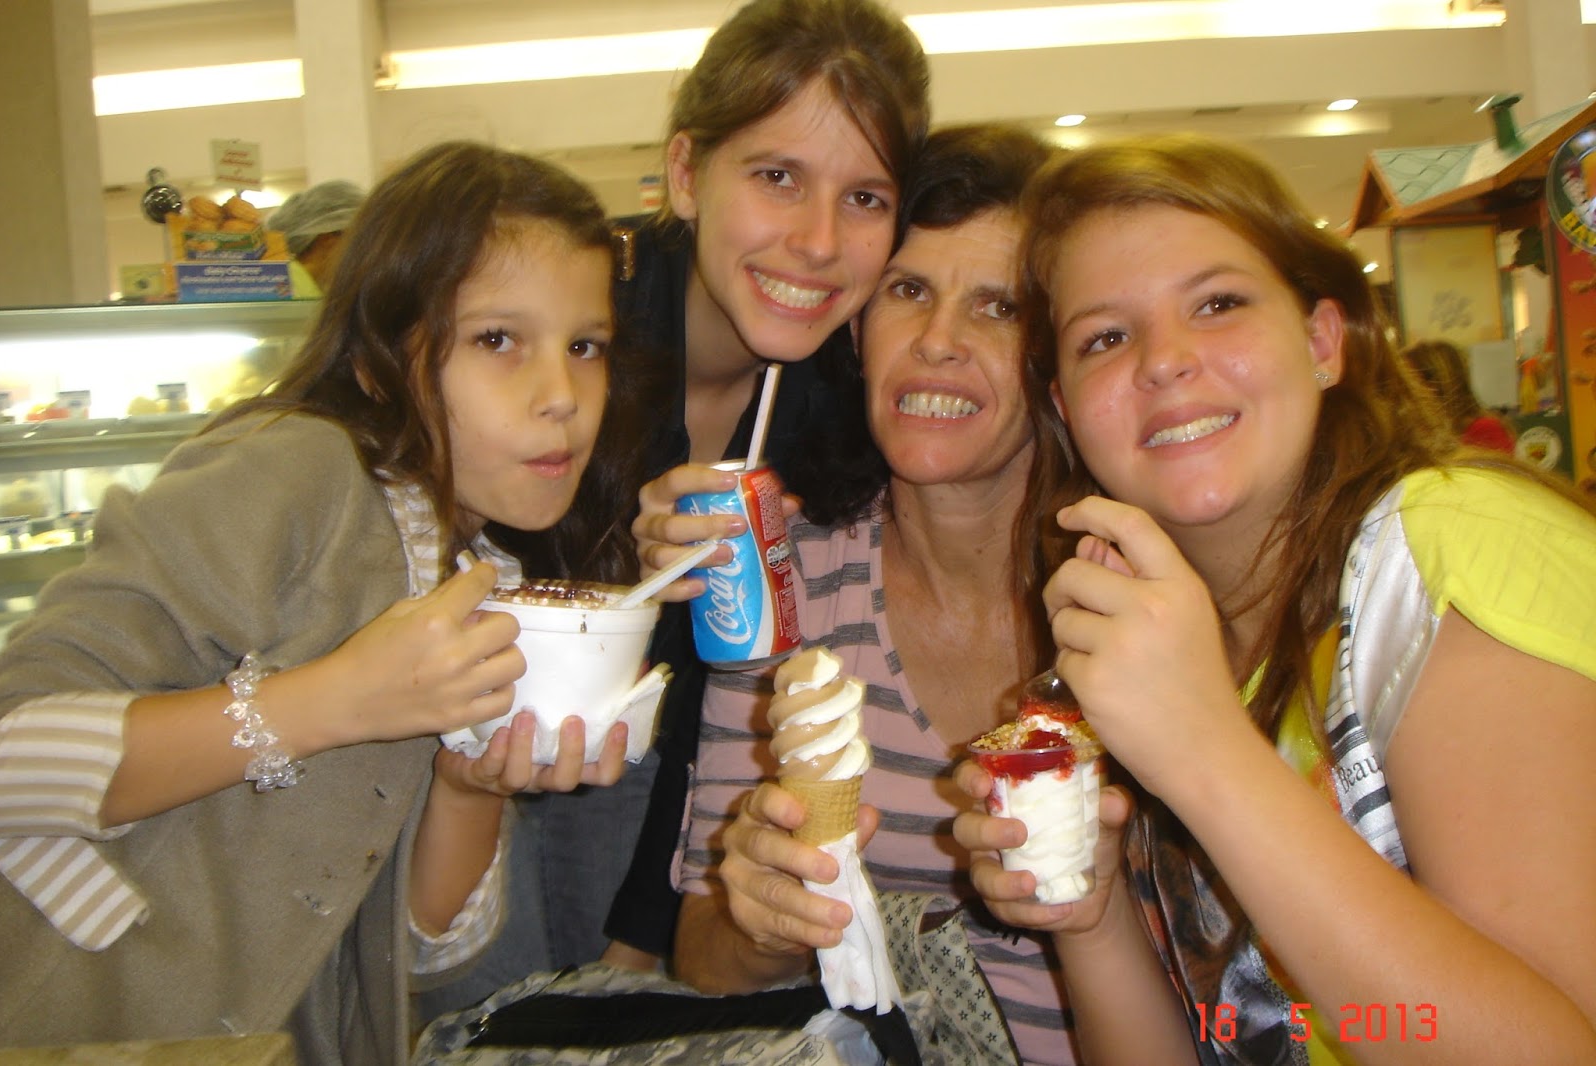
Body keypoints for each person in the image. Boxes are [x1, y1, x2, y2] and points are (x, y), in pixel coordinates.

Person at [0, 140, 650, 1063]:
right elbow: (11, 750)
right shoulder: (290, 473)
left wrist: (469, 786)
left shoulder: (485, 579)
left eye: (585, 347)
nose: (562, 398)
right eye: (497, 340)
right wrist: (328, 701)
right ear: (380, 361)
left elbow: (418, 949)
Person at [954, 134, 1596, 1064]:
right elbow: (1225, 1038)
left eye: (1217, 304)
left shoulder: (1455, 548)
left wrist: (1203, 749)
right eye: (1106, 338)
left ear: (1322, 342)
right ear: (1067, 407)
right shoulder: (1166, 643)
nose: (1165, 360)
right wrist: (1090, 914)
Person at [420, 0, 932, 1012]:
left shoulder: (846, 408)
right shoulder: (576, 324)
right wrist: (617, 559)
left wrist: (645, 931)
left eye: (866, 197)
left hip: (672, 802)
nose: (818, 241)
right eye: (777, 177)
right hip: (459, 759)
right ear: (689, 173)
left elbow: (728, 696)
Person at [656, 124, 1079, 1065]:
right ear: (856, 328)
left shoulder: (1129, 600)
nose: (937, 342)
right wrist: (762, 920)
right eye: (908, 291)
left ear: (1058, 355)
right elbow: (702, 957)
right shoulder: (786, 582)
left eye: (998, 307)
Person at [1401, 337, 1516, 452]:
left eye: (1407, 383)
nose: (1401, 393)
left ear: (1433, 385)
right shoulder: (1424, 434)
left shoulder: (1484, 429)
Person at [266, 178, 366, 293]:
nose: (364, 255)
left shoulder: (283, 280)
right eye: (360, 242)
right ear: (329, 239)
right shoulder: (291, 290)